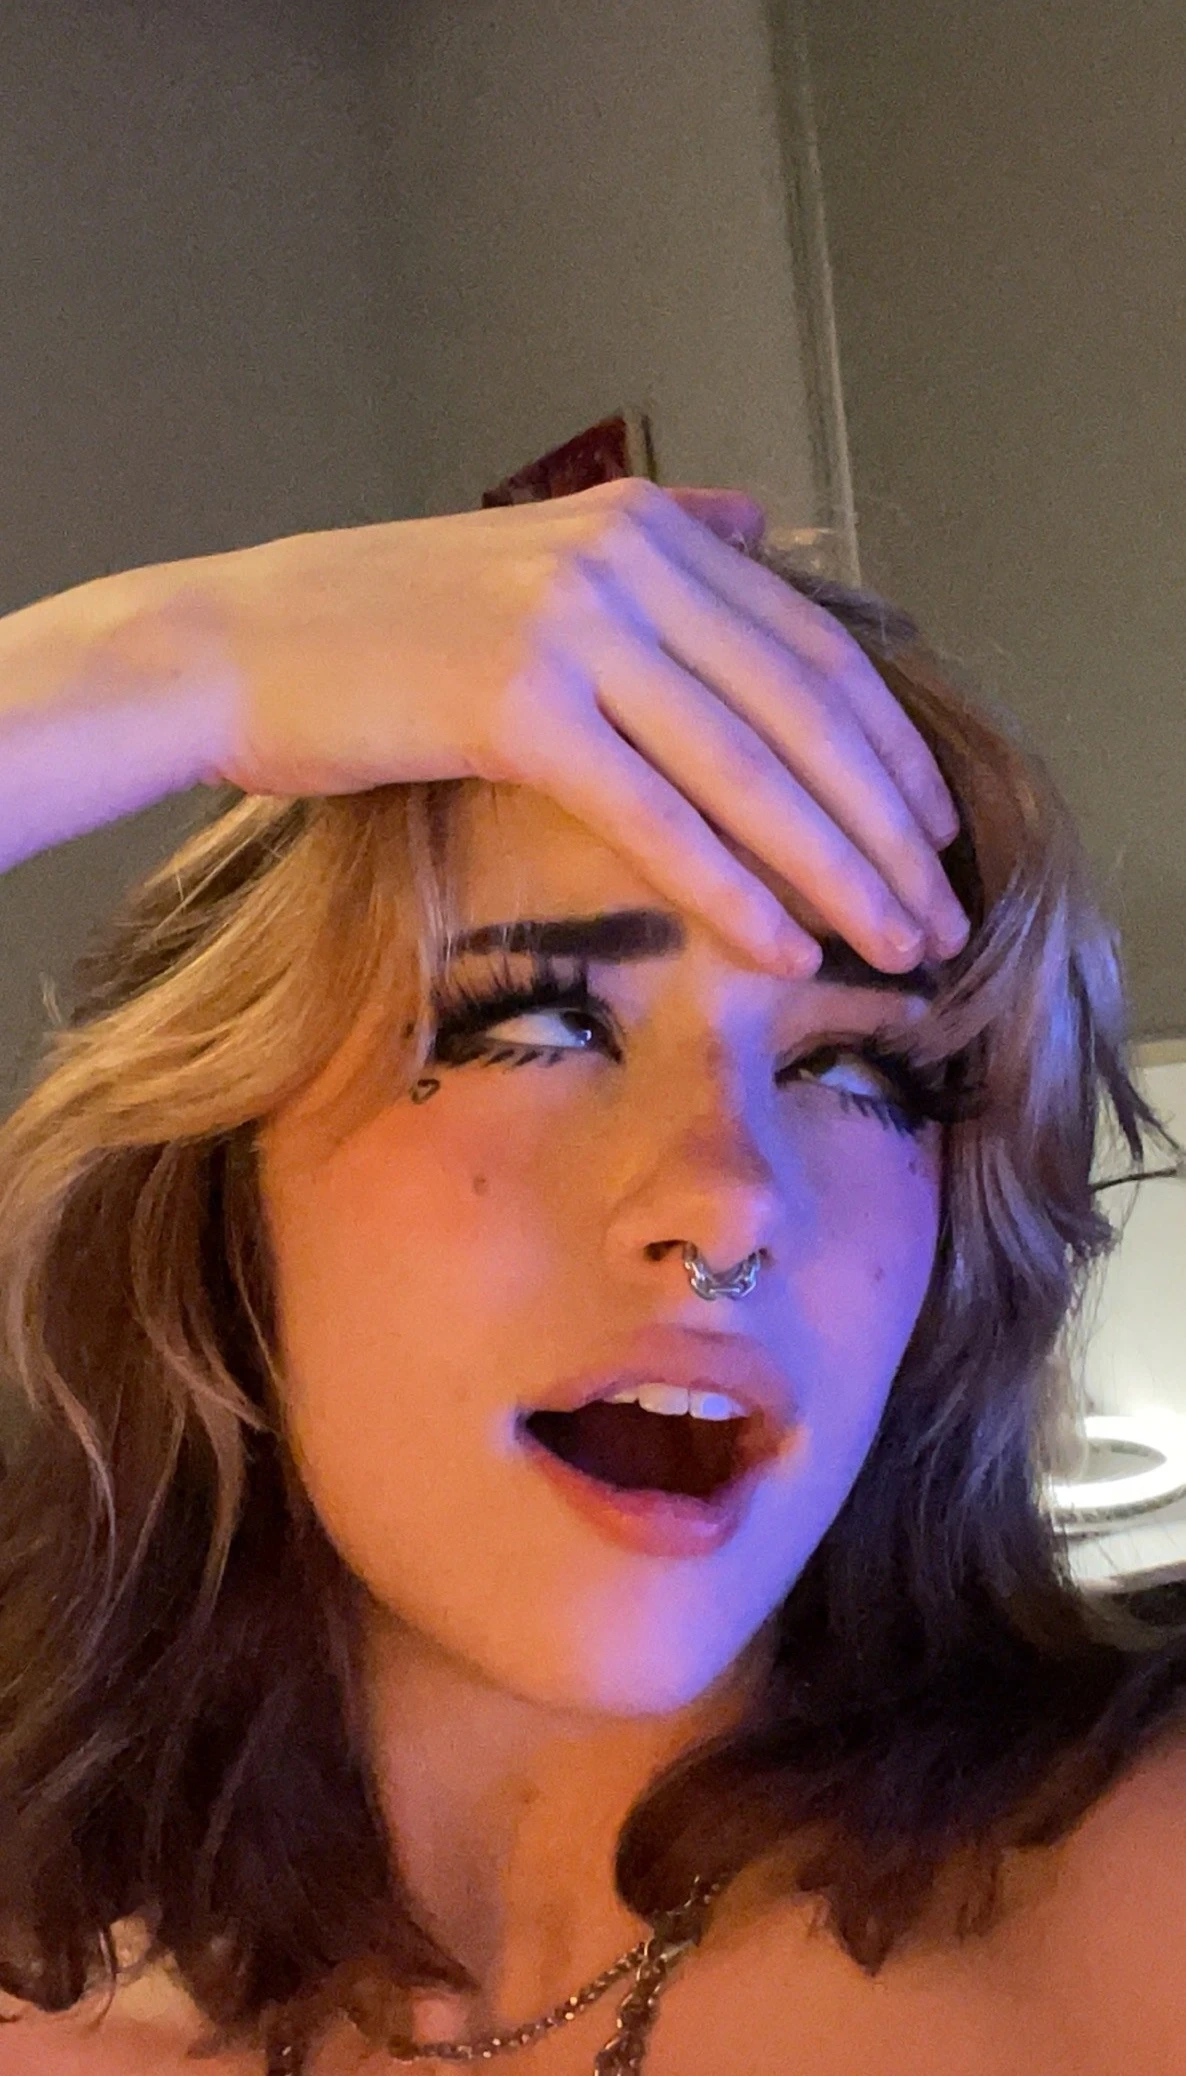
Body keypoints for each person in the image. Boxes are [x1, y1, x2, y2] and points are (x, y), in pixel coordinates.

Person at [0, 479, 1183, 2075]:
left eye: (859, 1072)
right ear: (223, 1166)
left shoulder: (1129, 1895)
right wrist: (172, 658)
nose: (728, 1203)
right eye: (538, 1027)